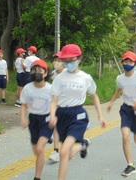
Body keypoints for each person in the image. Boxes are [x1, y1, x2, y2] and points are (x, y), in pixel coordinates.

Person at [49, 44, 107, 180]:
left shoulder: (85, 78)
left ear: (79, 59)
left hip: (78, 116)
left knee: (63, 152)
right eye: (65, 61)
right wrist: (52, 116)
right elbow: (53, 101)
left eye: (71, 60)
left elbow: (94, 96)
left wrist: (100, 115)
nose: (68, 63)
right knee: (66, 154)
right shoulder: (59, 78)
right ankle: (82, 145)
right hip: (62, 115)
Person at [106, 51, 136, 177]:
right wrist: (111, 102)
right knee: (125, 135)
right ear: (122, 63)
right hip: (126, 110)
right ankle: (130, 165)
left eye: (130, 61)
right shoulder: (120, 78)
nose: (127, 63)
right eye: (125, 61)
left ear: (135, 63)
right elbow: (118, 90)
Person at [20, 59, 53, 180]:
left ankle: (37, 177)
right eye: (34, 70)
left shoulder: (50, 89)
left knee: (39, 148)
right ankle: (45, 139)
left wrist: (54, 117)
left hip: (46, 120)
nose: (37, 72)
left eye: (40, 70)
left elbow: (56, 105)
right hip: (33, 120)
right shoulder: (27, 88)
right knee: (38, 152)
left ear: (45, 73)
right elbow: (23, 105)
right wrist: (23, 119)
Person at [48, 51, 67, 163]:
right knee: (55, 127)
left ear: (64, 62)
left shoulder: (67, 73)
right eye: (55, 60)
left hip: (67, 105)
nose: (56, 62)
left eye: (59, 60)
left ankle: (78, 142)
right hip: (56, 104)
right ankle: (56, 151)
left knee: (64, 129)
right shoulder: (53, 74)